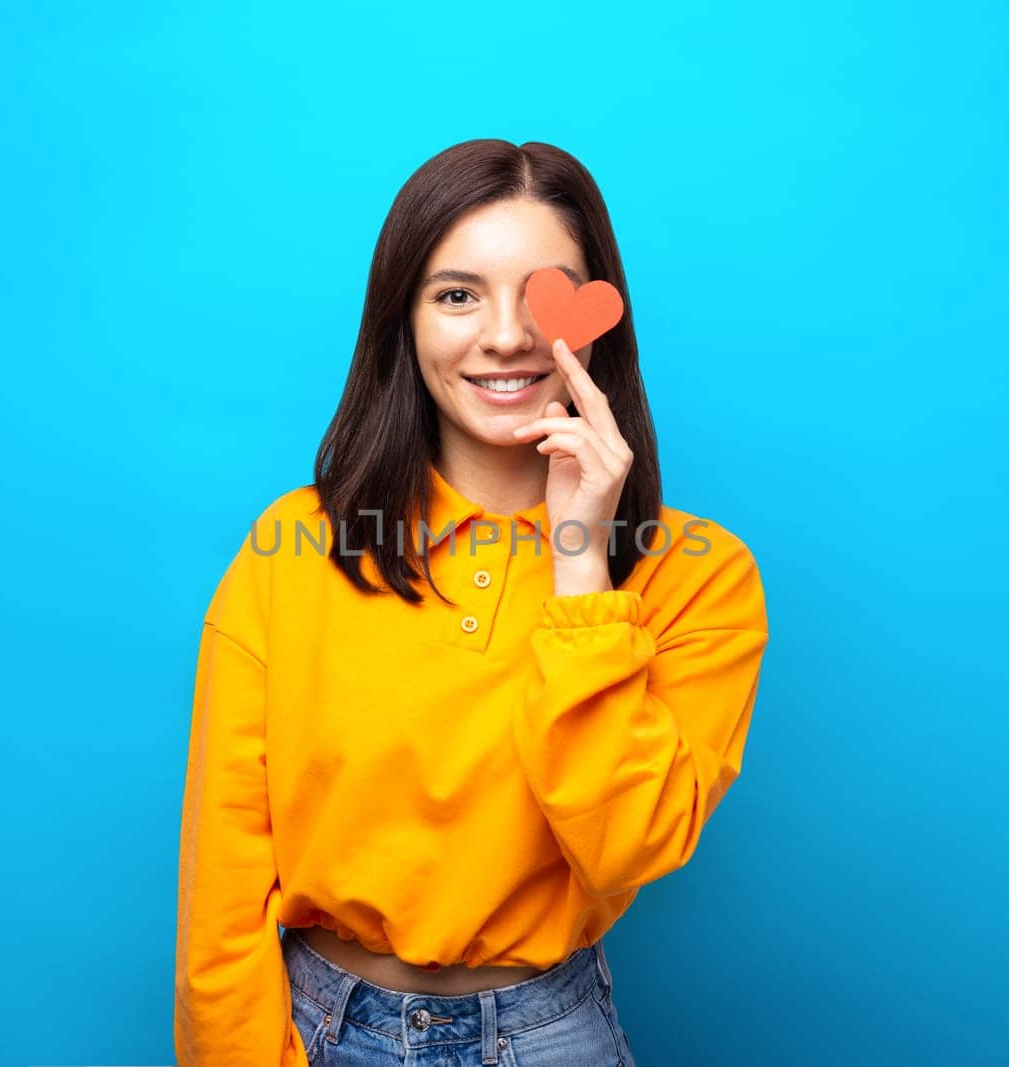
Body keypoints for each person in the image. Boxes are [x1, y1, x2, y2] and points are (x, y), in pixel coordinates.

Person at [175, 139, 770, 1066]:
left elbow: (623, 847)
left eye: (544, 296)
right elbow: (223, 884)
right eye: (457, 294)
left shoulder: (699, 575)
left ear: (598, 318)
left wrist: (579, 562)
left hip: (549, 1036)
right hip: (315, 1027)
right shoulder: (297, 546)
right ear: (402, 321)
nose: (506, 336)